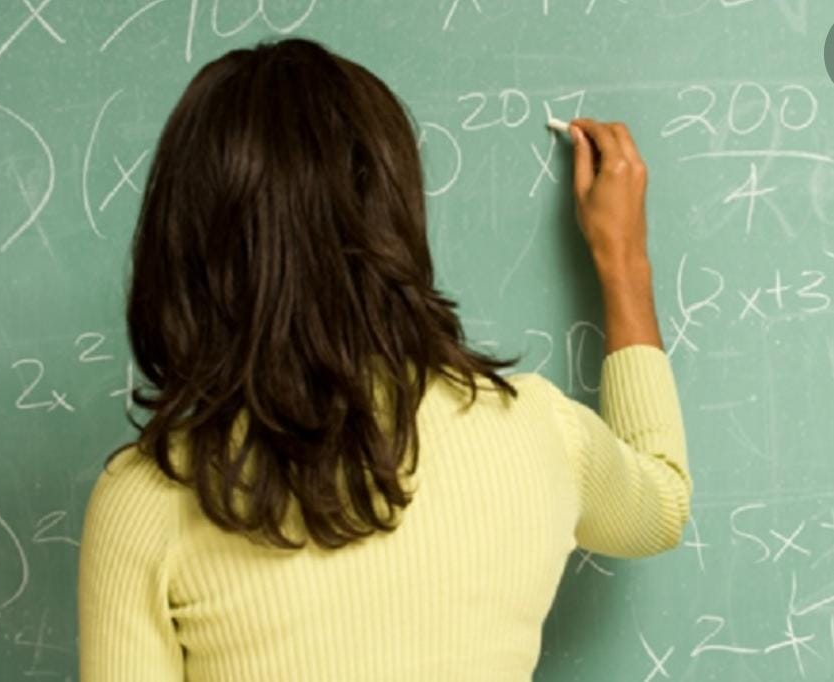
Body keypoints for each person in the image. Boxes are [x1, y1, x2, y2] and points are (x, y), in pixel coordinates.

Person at [78, 37, 692, 681]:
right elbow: (663, 502)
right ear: (393, 211)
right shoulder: (543, 434)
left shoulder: (147, 501)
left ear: (184, 243)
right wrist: (623, 259)